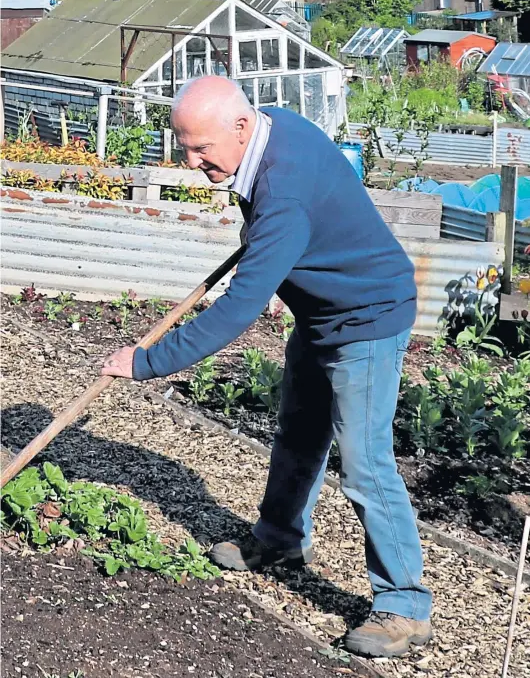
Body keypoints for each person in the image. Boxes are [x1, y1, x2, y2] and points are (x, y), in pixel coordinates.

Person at [101, 76, 432, 658]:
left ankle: (404, 606)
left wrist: (147, 362)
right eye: (183, 146)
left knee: (364, 462)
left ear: (240, 127)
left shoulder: (286, 194)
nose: (192, 159)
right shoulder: (270, 128)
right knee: (298, 431)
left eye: (201, 147)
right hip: (321, 311)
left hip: (369, 318)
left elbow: (236, 312)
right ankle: (278, 539)